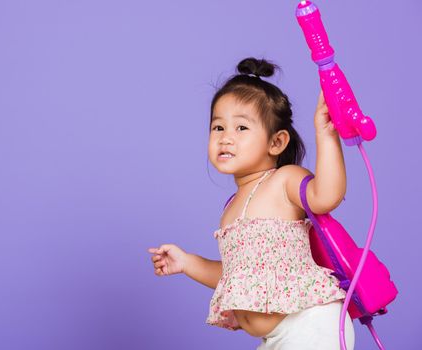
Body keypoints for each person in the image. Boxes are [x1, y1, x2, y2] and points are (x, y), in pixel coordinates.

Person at [147, 57, 355, 349]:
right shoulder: (232, 207)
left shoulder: (284, 181)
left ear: (277, 143)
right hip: (278, 337)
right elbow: (241, 276)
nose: (226, 138)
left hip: (310, 324)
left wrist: (326, 136)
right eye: (218, 128)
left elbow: (327, 196)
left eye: (241, 129)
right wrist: (187, 262)